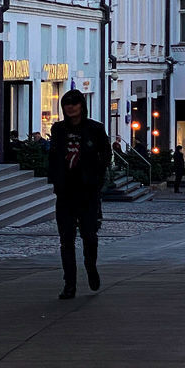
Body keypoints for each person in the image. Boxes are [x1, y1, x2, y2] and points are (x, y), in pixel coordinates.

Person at [48, 89, 112, 299]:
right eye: (67, 103)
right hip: (65, 192)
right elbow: (54, 154)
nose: (70, 107)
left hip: (87, 191)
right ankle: (70, 284)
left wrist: (98, 176)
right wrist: (55, 177)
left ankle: (90, 266)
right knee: (66, 240)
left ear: (81, 106)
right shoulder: (58, 129)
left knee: (89, 236)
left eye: (74, 103)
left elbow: (106, 153)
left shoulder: (94, 128)